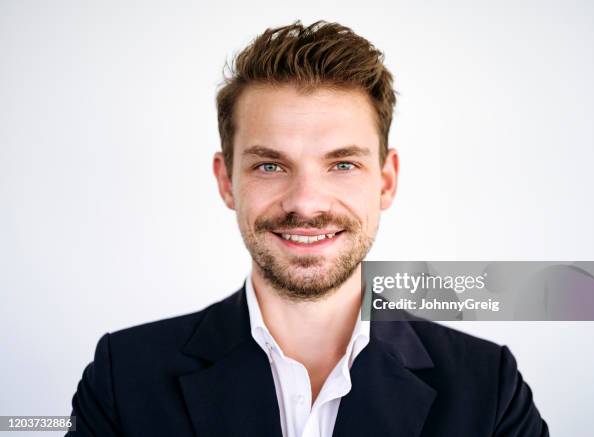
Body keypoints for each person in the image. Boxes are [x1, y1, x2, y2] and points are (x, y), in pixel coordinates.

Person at [67, 20, 549, 436]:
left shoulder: (490, 388)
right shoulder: (123, 377)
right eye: (270, 167)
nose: (305, 203)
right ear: (226, 180)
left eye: (341, 164)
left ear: (386, 181)